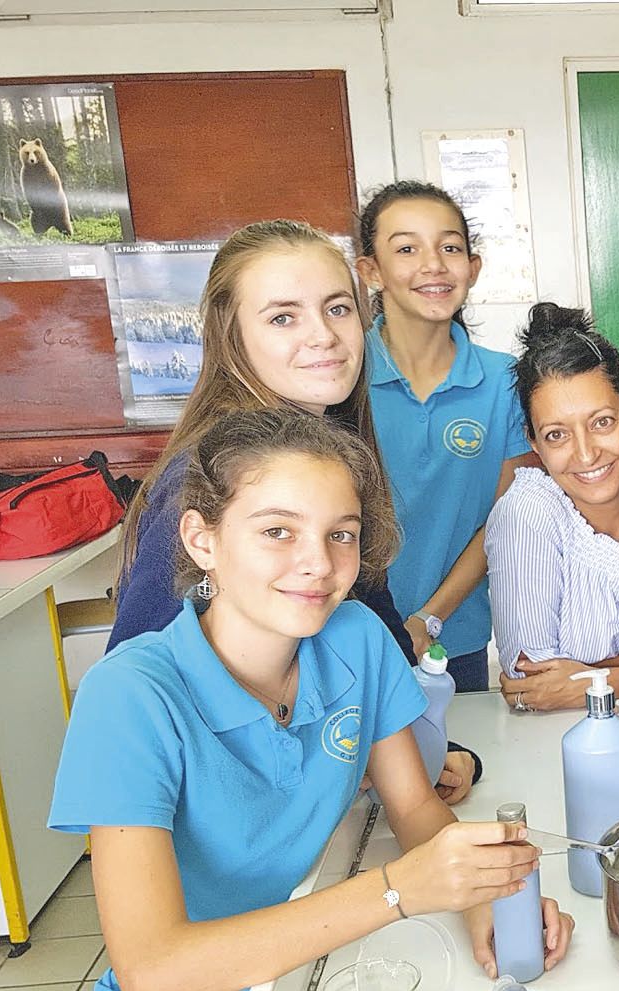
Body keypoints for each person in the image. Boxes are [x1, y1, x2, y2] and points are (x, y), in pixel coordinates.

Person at [46, 409, 575, 991]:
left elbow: (414, 809)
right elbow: (153, 975)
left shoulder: (356, 639)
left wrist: (481, 894)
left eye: (341, 535)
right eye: (277, 531)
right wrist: (400, 891)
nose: (316, 566)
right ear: (203, 539)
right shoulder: (132, 695)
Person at [107, 219, 479, 804]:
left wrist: (413, 745)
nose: (324, 336)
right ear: (233, 338)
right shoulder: (206, 480)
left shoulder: (331, 451)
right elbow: (136, 683)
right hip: (235, 822)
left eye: (337, 309)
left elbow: (372, 618)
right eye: (283, 317)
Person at [355, 181, 535, 690]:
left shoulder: (506, 383)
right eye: (407, 248)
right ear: (371, 270)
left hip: (452, 640)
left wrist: (428, 619)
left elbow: (503, 520)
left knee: (463, 765)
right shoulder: (341, 379)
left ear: (472, 269)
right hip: (345, 637)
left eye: (450, 247)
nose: (433, 264)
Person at [486, 303, 619, 711]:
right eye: (556, 435)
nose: (585, 454)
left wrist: (590, 676)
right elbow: (530, 683)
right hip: (560, 745)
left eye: (602, 422)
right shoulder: (527, 514)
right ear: (534, 445)